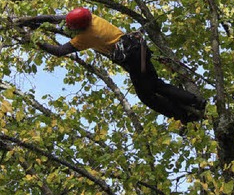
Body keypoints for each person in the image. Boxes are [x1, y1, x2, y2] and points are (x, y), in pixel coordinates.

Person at [18, 7, 205, 123]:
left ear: (79, 28)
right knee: (156, 84)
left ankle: (185, 116)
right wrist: (31, 21)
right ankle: (194, 101)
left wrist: (33, 40)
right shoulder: (92, 17)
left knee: (147, 97)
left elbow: (59, 51)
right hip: (139, 48)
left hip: (132, 58)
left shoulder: (86, 37)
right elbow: (55, 18)